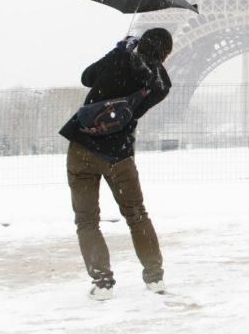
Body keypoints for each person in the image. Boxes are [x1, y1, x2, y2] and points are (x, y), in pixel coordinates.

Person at [59, 28, 174, 300]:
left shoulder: (120, 58)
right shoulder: (160, 84)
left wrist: (120, 48)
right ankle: (154, 277)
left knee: (86, 221)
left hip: (83, 148)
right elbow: (141, 101)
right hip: (118, 155)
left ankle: (102, 283)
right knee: (136, 215)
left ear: (141, 42)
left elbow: (87, 77)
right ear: (165, 54)